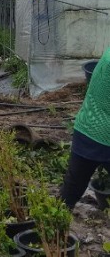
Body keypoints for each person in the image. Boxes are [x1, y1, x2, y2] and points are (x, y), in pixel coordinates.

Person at [60, 46, 110, 208]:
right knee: (72, 188)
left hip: (86, 126)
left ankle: (51, 229)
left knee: (71, 189)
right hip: (104, 135)